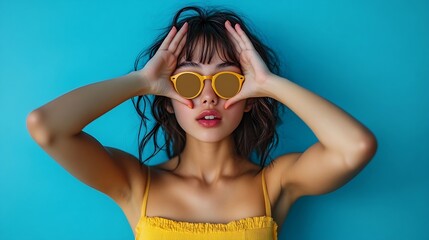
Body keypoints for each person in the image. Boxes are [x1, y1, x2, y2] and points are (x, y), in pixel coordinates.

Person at [26, 5, 377, 240]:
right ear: (168, 97)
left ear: (249, 99)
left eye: (226, 82)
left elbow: (355, 147)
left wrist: (270, 84)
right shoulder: (135, 182)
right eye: (189, 81)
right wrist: (142, 82)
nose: (208, 97)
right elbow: (46, 126)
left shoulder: (276, 182)